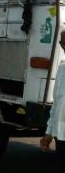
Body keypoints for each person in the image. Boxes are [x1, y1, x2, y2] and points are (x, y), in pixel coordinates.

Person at [40, 31, 65, 172]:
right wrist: (49, 133)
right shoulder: (61, 70)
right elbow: (56, 105)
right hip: (61, 136)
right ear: (62, 46)